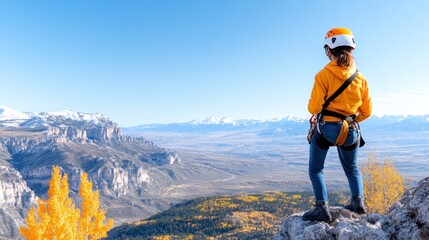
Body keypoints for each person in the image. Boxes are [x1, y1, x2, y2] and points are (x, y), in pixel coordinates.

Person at [302, 27, 373, 222]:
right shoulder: (360, 78)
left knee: (316, 170)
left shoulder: (323, 75)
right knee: (352, 168)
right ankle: (358, 204)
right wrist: (350, 121)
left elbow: (314, 107)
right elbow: (367, 111)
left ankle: (321, 208)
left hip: (327, 128)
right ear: (351, 50)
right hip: (351, 130)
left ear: (328, 51)